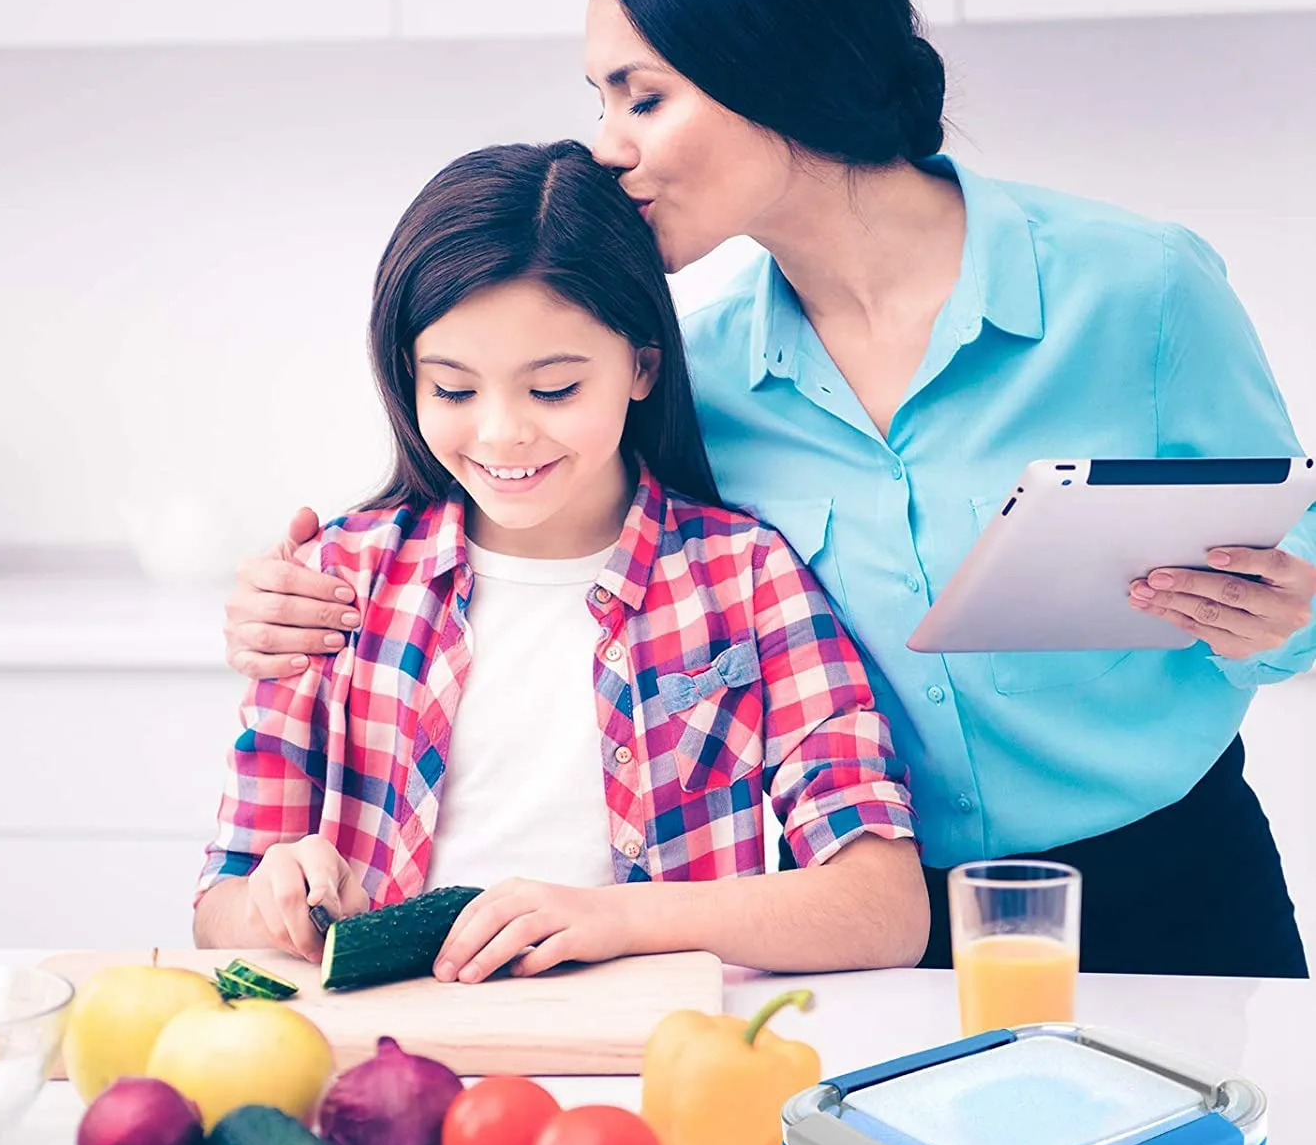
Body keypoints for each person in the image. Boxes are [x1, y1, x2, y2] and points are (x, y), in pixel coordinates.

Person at [223, 0, 1316, 979]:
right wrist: (292, 613)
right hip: (875, 926)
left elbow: (1299, 559)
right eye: (601, 101)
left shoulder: (1142, 292)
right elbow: (517, 514)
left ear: (776, 69)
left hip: (1175, 877)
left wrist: (1287, 610)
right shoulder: (689, 371)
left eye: (641, 97)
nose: (608, 145)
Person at [193, 139, 928, 980]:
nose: (503, 432)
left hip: (652, 1063)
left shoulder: (746, 577)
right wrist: (270, 899)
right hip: (396, 1057)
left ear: (642, 365)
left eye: (553, 390)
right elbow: (220, 905)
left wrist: (618, 919)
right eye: (455, 390)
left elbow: (885, 909)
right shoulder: (335, 583)